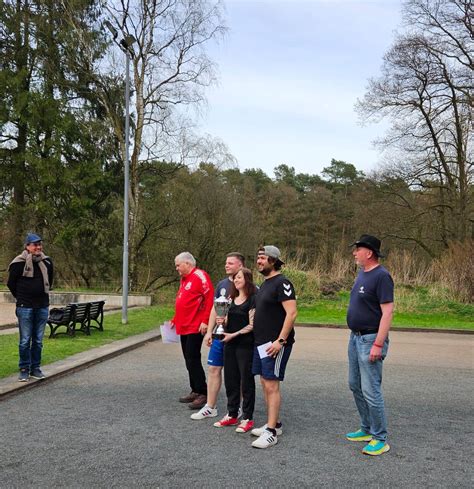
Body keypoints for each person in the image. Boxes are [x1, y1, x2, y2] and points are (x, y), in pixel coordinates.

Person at [346, 234, 394, 456]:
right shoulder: (362, 274)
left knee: (371, 390)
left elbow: (387, 312)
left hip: (370, 339)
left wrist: (378, 343)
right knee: (355, 384)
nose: (355, 253)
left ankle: (380, 438)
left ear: (370, 252)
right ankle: (366, 428)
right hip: (355, 338)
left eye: (358, 249)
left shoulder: (382, 276)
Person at [250, 246, 297, 449]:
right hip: (260, 342)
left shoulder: (282, 282)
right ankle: (274, 424)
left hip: (274, 344)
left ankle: (271, 433)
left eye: (262, 258)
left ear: (273, 260)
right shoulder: (265, 283)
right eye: (258, 258)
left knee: (272, 384)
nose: (259, 261)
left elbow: (292, 313)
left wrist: (281, 341)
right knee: (264, 381)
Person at [191, 252, 245, 420]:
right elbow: (215, 308)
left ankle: (239, 407)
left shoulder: (248, 286)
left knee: (238, 374)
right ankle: (210, 407)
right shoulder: (222, 284)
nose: (226, 265)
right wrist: (210, 332)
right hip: (219, 335)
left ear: (240, 266)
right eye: (225, 262)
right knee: (213, 369)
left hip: (236, 336)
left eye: (230, 263)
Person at [212, 268, 257, 433]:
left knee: (246, 382)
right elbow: (225, 320)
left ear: (247, 279)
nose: (236, 280)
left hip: (245, 345)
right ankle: (231, 414)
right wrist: (221, 321)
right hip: (229, 344)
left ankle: (247, 418)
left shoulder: (253, 299)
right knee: (230, 379)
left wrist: (234, 334)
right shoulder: (231, 298)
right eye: (234, 278)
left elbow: (253, 324)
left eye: (239, 277)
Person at [7, 233, 54, 382]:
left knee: (38, 340)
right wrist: (21, 298)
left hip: (42, 306)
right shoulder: (18, 263)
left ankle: (36, 368)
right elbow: (11, 284)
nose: (38, 247)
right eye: (35, 244)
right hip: (25, 306)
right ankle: (24, 369)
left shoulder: (47, 262)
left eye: (40, 244)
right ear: (27, 246)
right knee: (25, 340)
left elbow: (50, 281)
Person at [172, 252, 214, 410]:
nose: (176, 268)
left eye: (178, 265)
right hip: (184, 325)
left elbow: (209, 298)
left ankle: (203, 391)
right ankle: (195, 389)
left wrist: (205, 320)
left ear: (187, 263)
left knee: (193, 357)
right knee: (188, 358)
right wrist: (175, 319)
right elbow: (183, 300)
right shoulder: (184, 279)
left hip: (195, 325)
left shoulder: (200, 276)